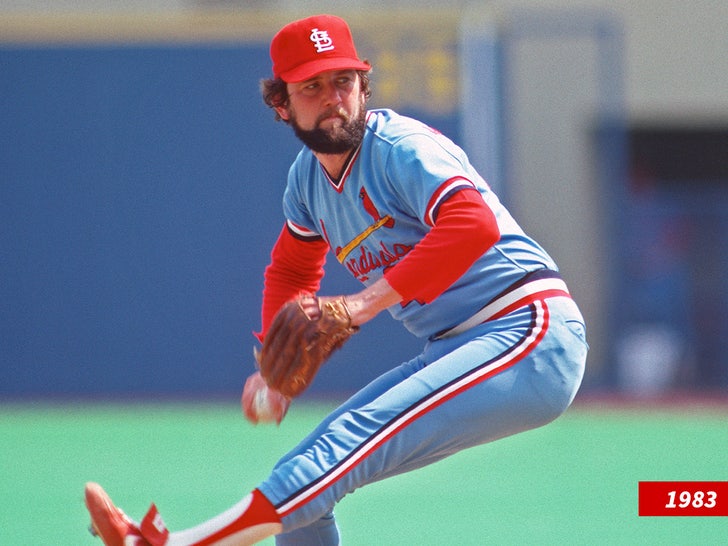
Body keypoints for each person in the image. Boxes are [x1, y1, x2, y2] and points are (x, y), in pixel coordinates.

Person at [85, 13, 588, 546]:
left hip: (529, 332)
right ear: (281, 104)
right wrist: (273, 370)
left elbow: (473, 223)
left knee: (342, 446)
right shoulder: (307, 181)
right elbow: (292, 267)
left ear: (363, 84)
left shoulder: (401, 149)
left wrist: (361, 304)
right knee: (305, 481)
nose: (333, 97)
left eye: (344, 80)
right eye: (312, 86)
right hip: (458, 345)